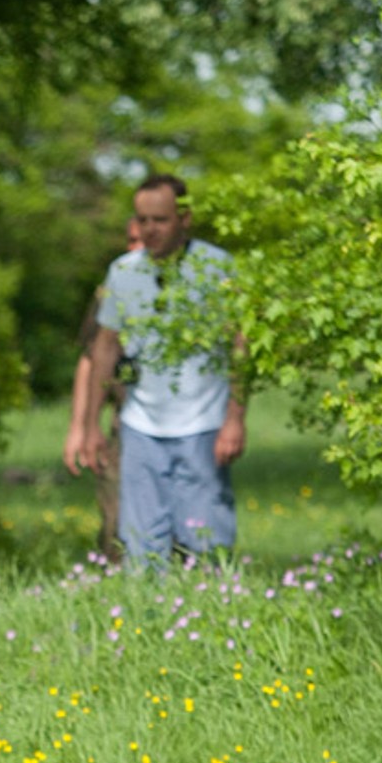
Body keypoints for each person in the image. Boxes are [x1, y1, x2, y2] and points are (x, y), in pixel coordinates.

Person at [68, 175, 245, 564]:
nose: (149, 229)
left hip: (203, 423)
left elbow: (240, 347)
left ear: (184, 218)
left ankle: (211, 613)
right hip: (141, 425)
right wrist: (90, 424)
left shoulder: (217, 267)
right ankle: (148, 619)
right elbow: (105, 347)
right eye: (143, 220)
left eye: (160, 220)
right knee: (141, 545)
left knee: (205, 541)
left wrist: (235, 417)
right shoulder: (123, 271)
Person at [64, 217, 144, 557]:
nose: (136, 247)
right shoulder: (115, 287)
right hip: (123, 419)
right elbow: (90, 357)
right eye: (131, 240)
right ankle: (117, 580)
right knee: (115, 518)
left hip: (178, 419)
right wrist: (80, 427)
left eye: (141, 240)